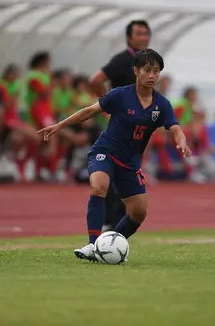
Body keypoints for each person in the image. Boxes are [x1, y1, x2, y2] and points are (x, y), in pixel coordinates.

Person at [38, 49, 191, 261]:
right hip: (105, 152)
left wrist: (181, 141)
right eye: (147, 70)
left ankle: (109, 246)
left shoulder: (161, 104)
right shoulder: (120, 95)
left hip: (130, 163)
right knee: (99, 186)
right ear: (136, 71)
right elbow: (90, 111)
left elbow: (175, 128)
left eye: (156, 71)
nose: (152, 75)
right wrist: (60, 125)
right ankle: (93, 245)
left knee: (139, 212)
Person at [89, 19, 151, 231]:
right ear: (129, 38)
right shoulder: (122, 60)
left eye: (146, 33)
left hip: (136, 131)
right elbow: (96, 80)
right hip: (118, 128)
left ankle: (116, 223)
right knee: (112, 172)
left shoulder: (147, 64)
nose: (143, 37)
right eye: (139, 33)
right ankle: (109, 223)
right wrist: (109, 106)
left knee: (127, 172)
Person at [24, 52, 58, 180]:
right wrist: (51, 82)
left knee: (44, 140)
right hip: (39, 109)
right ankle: (51, 169)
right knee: (51, 134)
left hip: (45, 110)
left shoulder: (43, 75)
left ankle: (40, 169)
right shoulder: (34, 75)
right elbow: (43, 93)